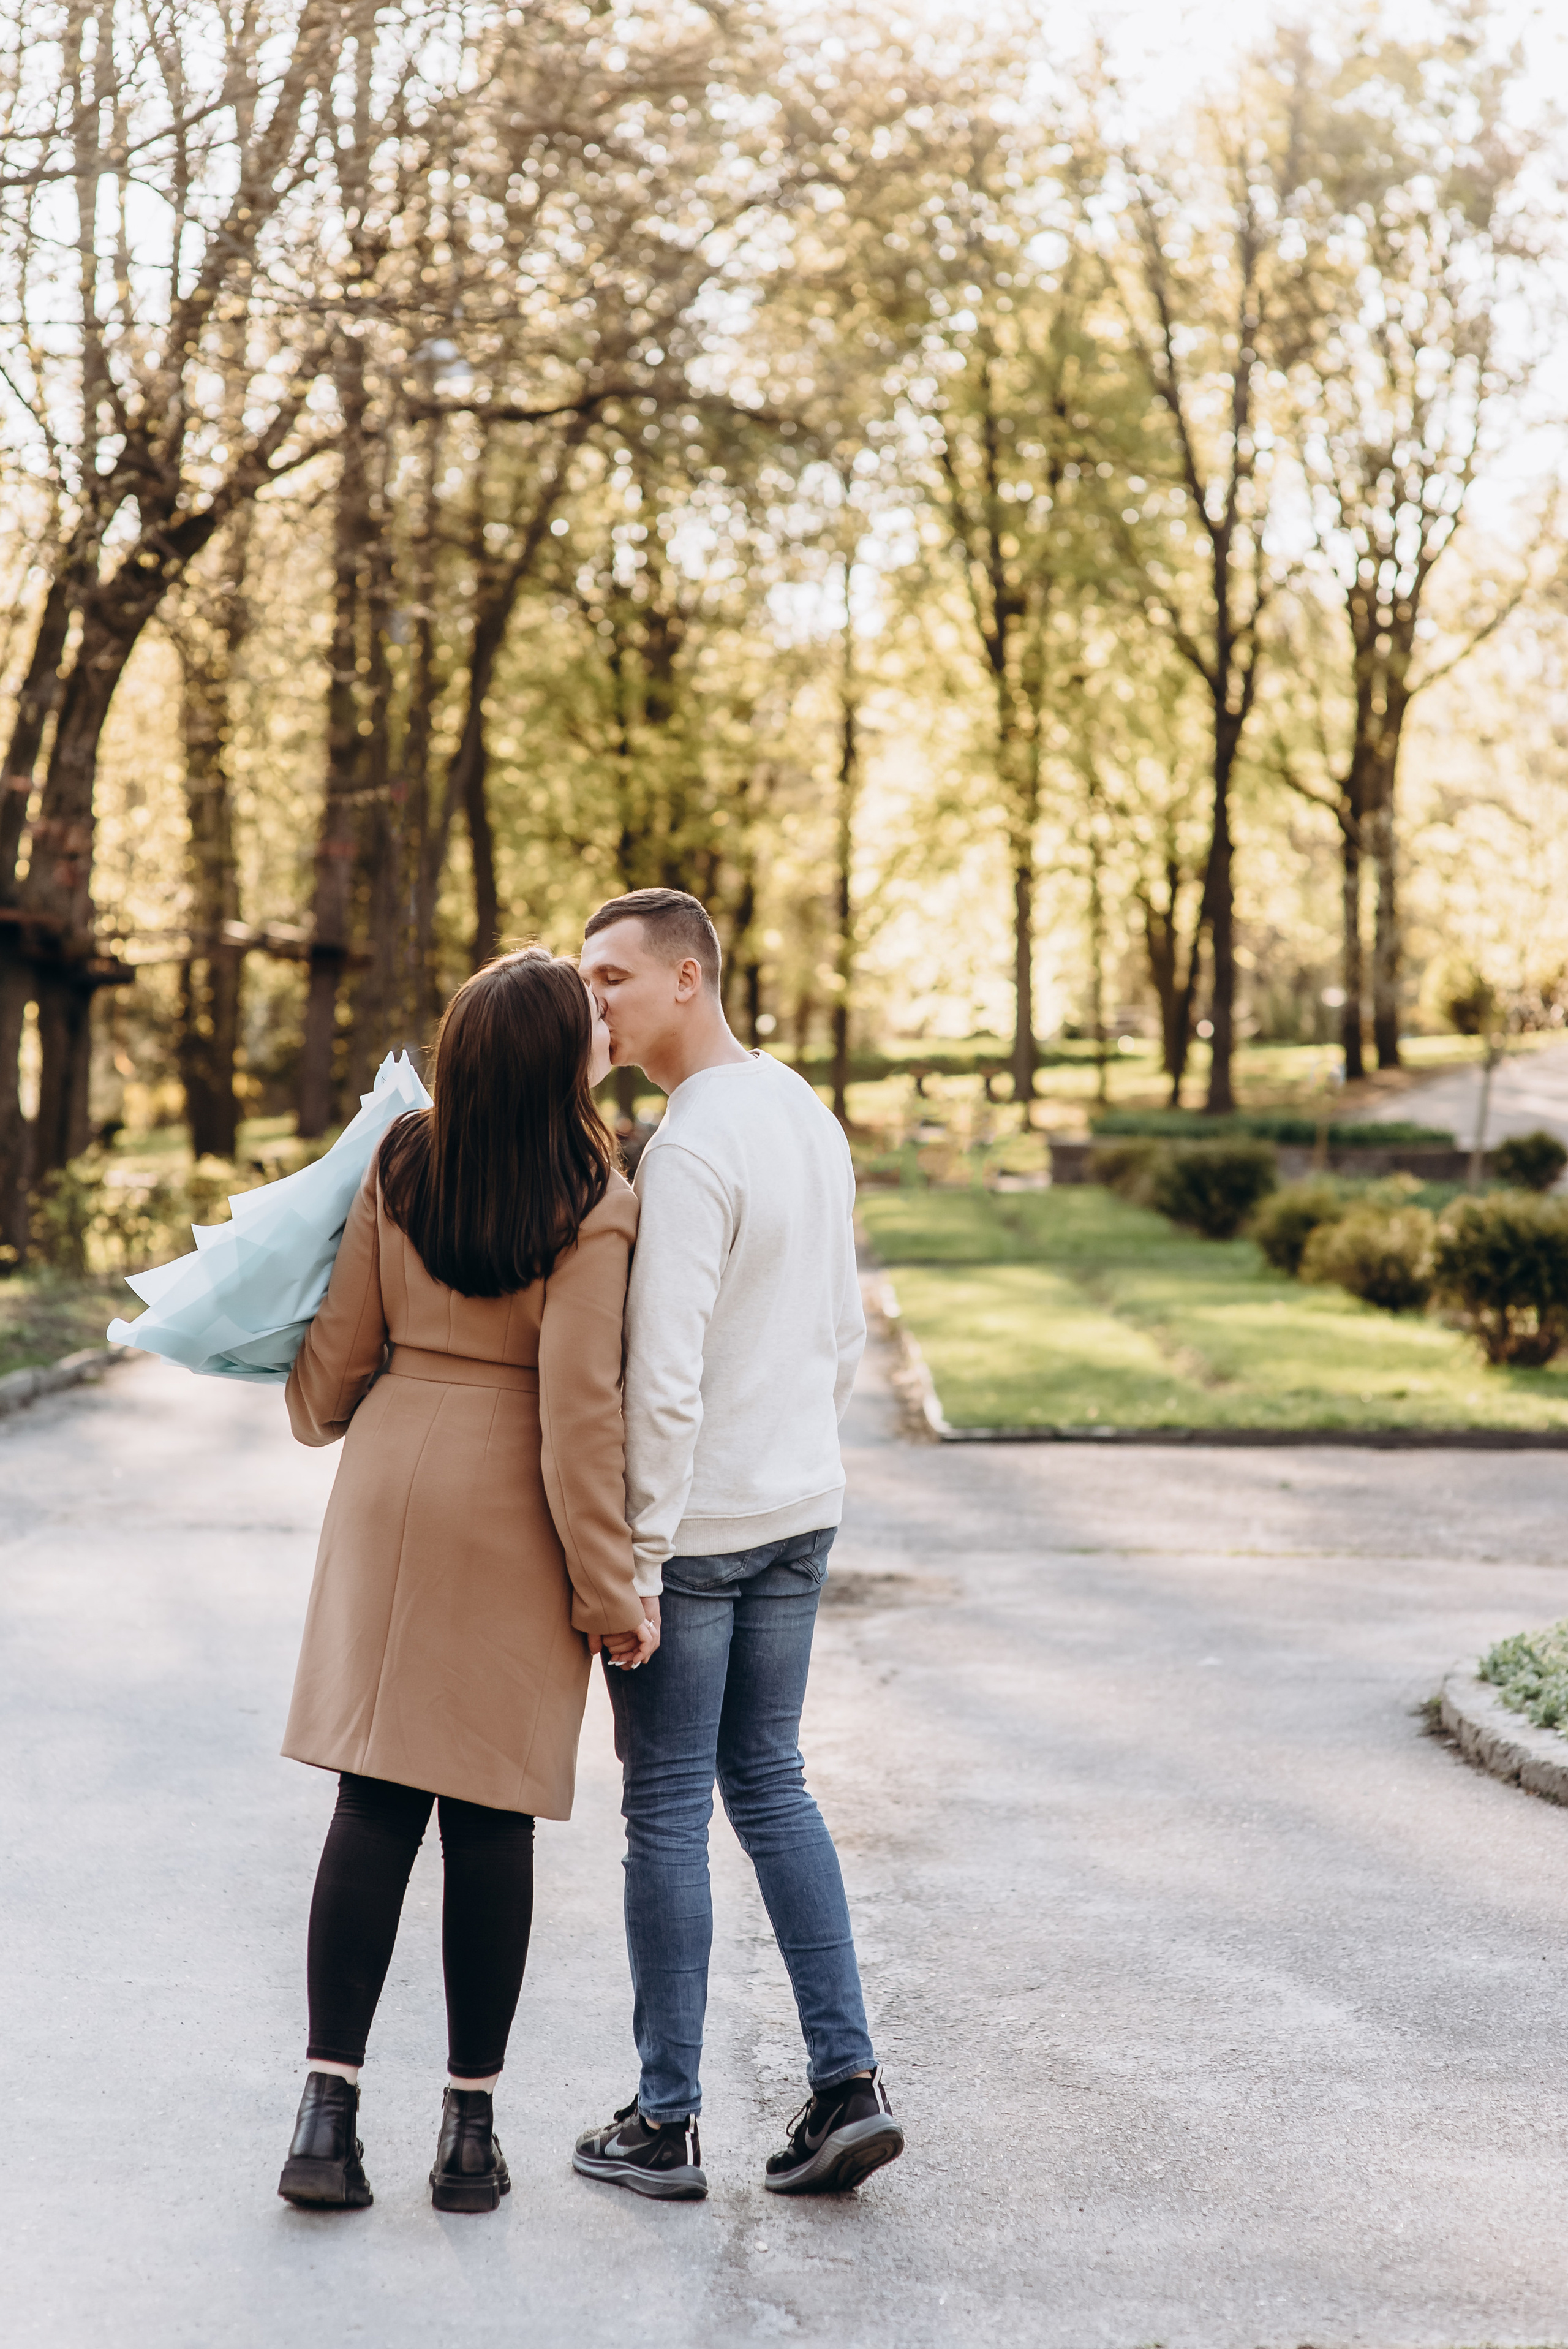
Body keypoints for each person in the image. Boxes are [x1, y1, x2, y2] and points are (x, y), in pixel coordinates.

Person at [274, 948, 657, 2216]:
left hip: (389, 1492)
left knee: (373, 1799)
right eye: (589, 1021)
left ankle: (324, 2121)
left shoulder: (399, 1160)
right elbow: (580, 1417)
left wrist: (315, 1406)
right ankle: (469, 2138)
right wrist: (609, 1594)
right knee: (491, 1819)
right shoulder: (596, 1195)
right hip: (512, 1509)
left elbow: (337, 1362)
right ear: (554, 1061)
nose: (604, 1034)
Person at [571, 887, 903, 2201]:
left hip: (701, 1532)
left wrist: (640, 1558)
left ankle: (664, 2123)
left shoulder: (691, 1145)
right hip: (799, 1510)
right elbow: (843, 1332)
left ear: (686, 980)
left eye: (611, 976)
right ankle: (846, 2086)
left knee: (665, 1807)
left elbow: (661, 1378)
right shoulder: (801, 1107)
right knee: (770, 1783)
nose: (592, 1001)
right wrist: (797, 1459)